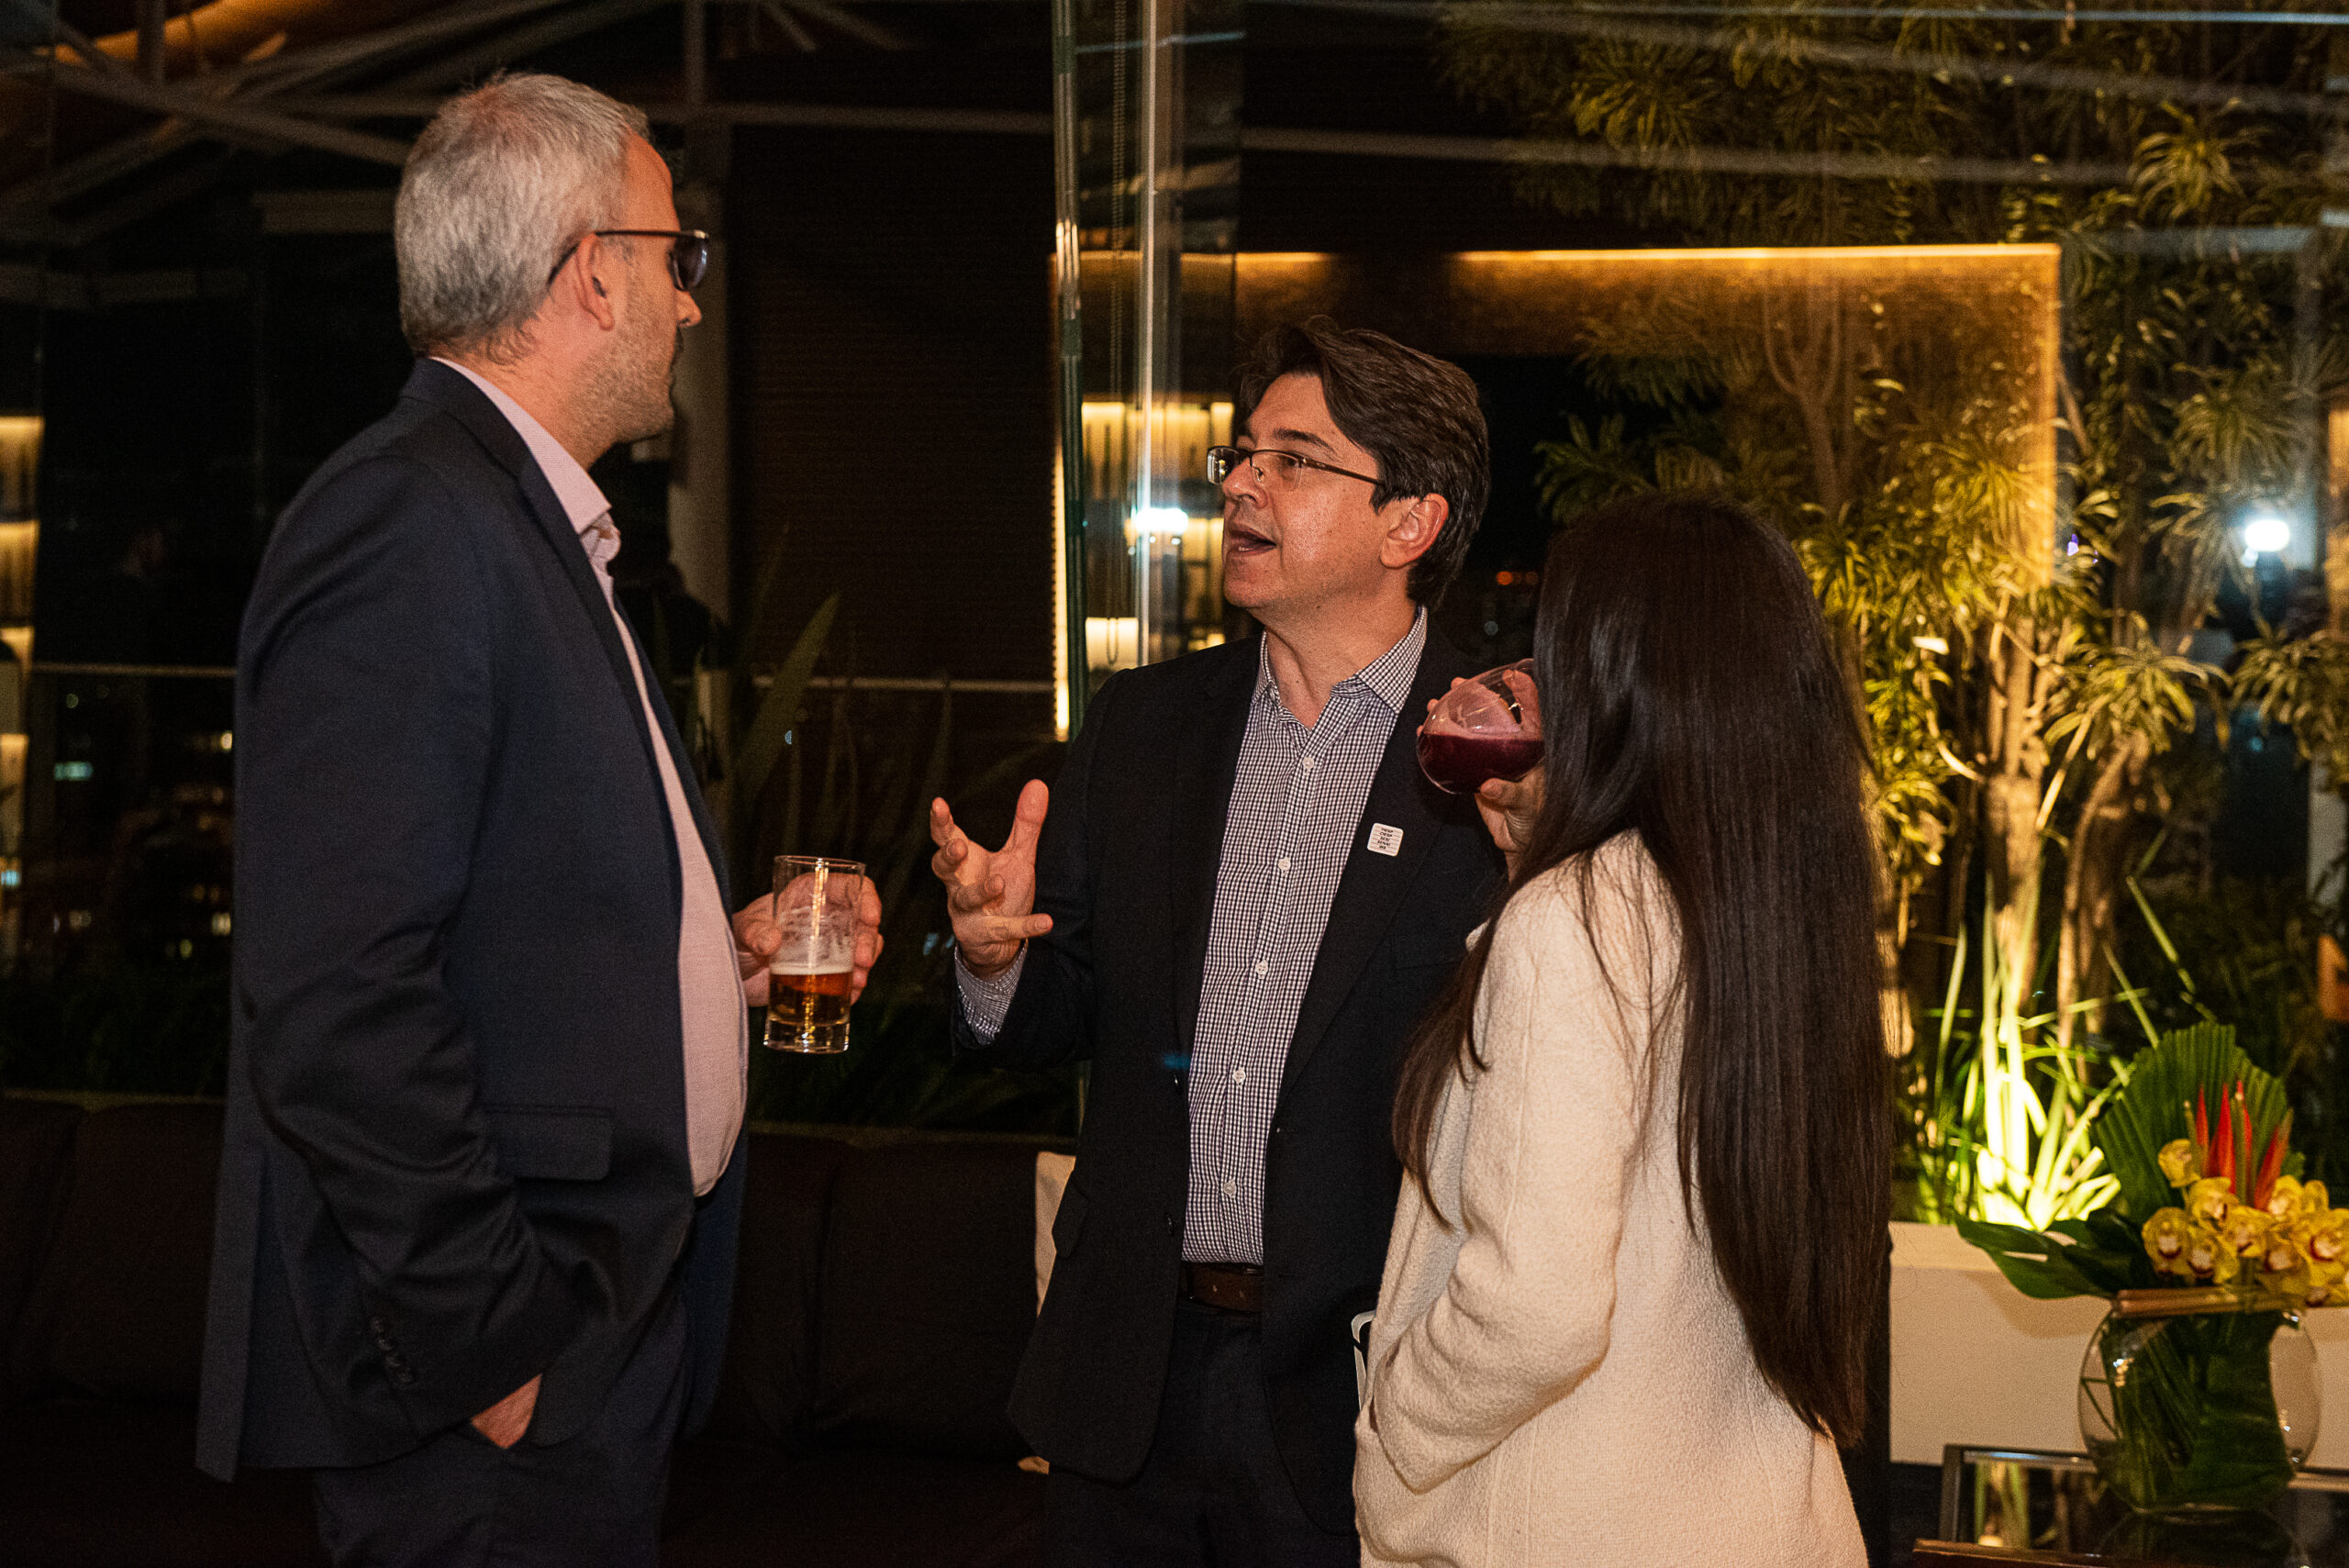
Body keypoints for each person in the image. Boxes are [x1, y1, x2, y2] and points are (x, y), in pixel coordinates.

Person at [195, 73, 879, 1567]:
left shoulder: (520, 525)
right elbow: (335, 990)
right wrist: (495, 1350)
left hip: (592, 1331)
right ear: (590, 272)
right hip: (501, 1371)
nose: (688, 300)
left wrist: (712, 958)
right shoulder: (410, 520)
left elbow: (510, 915)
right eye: (675, 257)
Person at [928, 319, 1506, 1565]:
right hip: (1125, 1376)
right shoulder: (1143, 724)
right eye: (1242, 455)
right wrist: (994, 958)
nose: (1241, 484)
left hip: (1359, 1397)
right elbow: (1061, 1013)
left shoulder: (1494, 759)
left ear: (1409, 522)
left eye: (1294, 460)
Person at [1355, 493, 1887, 1568]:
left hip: (1573, 1522)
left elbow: (1537, 1308)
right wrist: (1535, 858)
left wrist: (1395, 1419)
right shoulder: (1775, 909)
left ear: (1620, 680)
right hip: (1762, 1519)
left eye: (1559, 648)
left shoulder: (1577, 919)